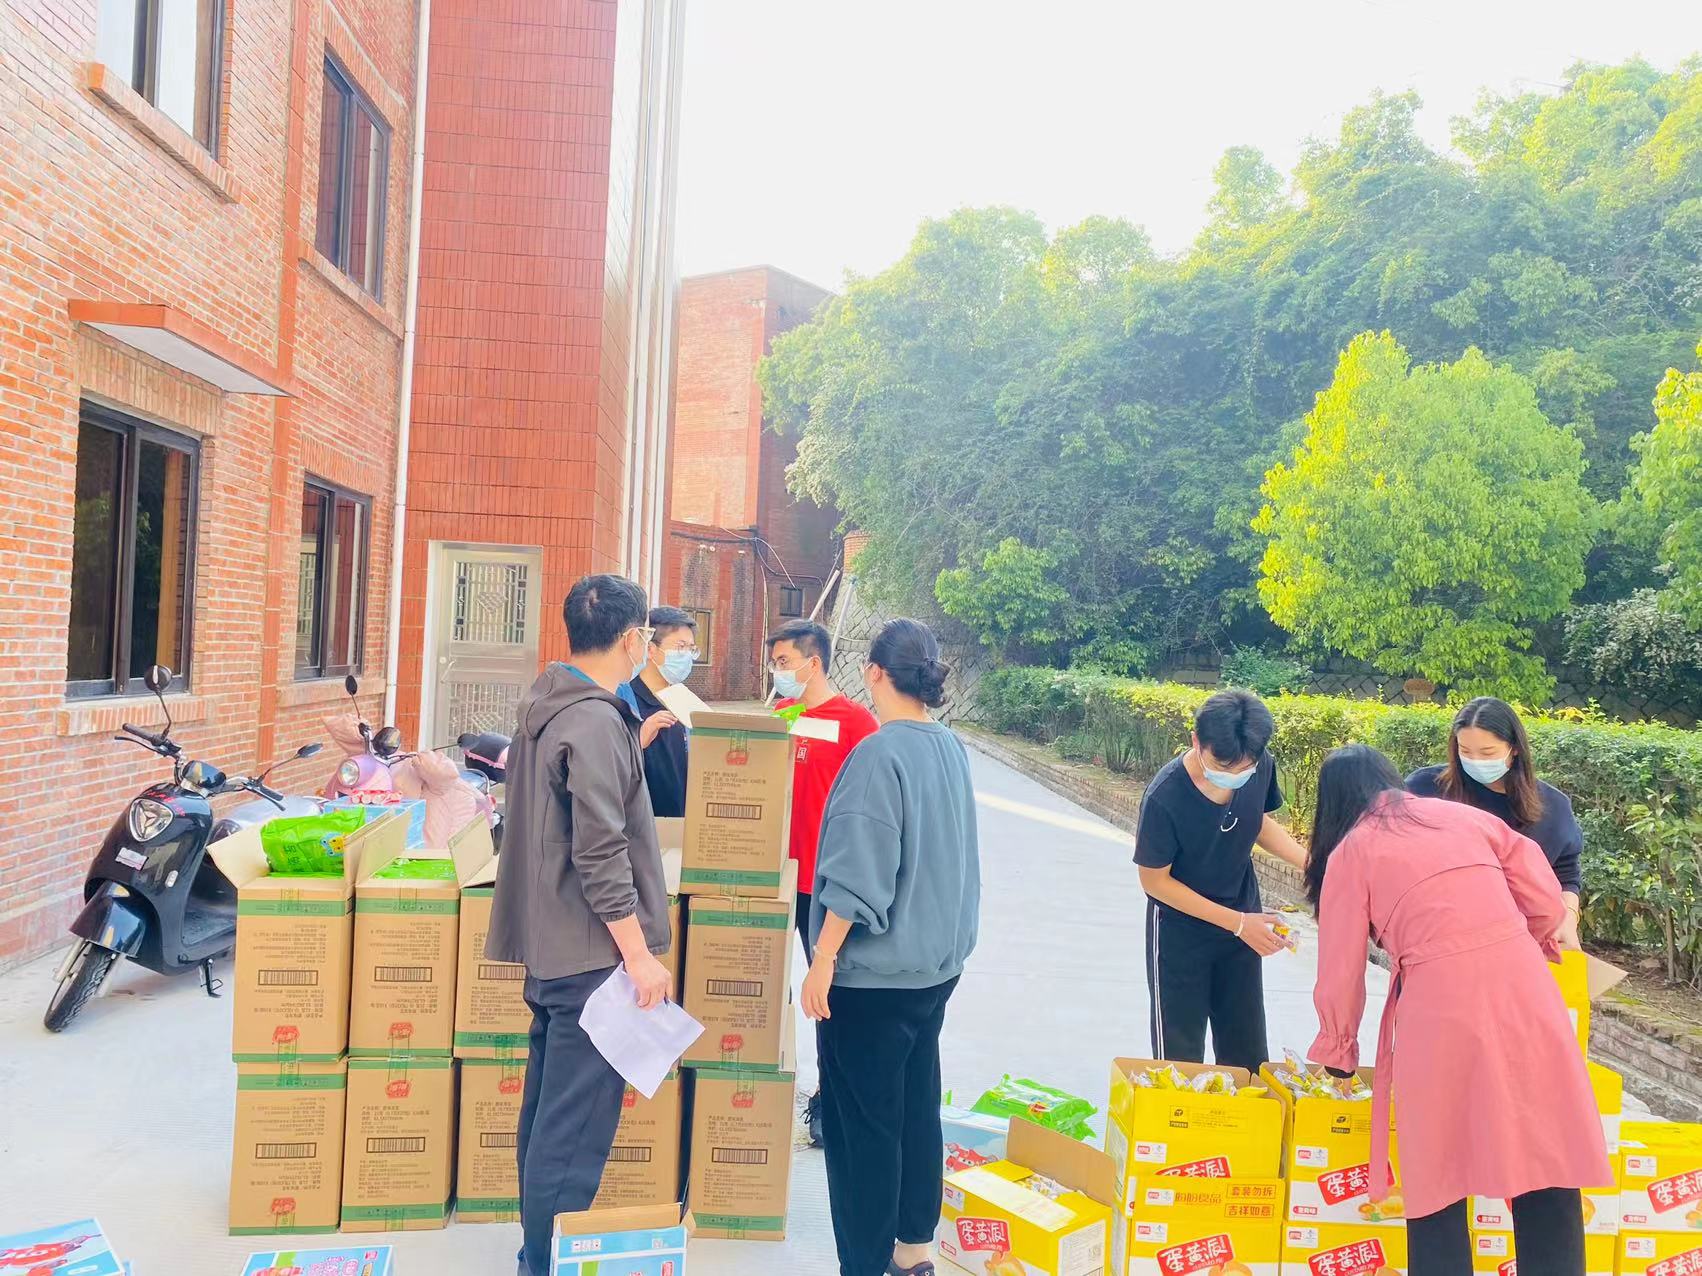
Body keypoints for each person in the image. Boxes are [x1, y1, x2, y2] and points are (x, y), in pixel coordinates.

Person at [1307, 744, 1611, 1276]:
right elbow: (1544, 898)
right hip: (1523, 985)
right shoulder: (1464, 817)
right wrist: (1524, 938)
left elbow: (1340, 966)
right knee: (1546, 1146)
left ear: (1332, 804)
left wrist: (1339, 1051)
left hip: (1439, 1001)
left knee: (1438, 1162)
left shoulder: (1351, 853)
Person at [486, 573, 674, 1276]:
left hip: (553, 949)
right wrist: (638, 956)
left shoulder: (551, 703)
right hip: (591, 957)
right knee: (572, 1136)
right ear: (630, 638)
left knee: (548, 1120)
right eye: (646, 636)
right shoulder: (594, 720)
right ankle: (544, 1264)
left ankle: (536, 1252)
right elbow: (599, 851)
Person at [800, 618, 980, 1276]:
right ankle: (913, 1252)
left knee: (862, 1131)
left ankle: (864, 1263)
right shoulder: (950, 746)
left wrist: (822, 960)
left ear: (873, 672)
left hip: (873, 980)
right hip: (934, 969)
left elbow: (857, 875)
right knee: (914, 1109)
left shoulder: (878, 754)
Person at [1133, 689, 1307, 1073]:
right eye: (1221, 765)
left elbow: (1257, 820)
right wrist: (1238, 923)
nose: (1232, 776)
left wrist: (1311, 864)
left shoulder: (1259, 764)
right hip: (1180, 933)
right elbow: (1155, 882)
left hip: (1241, 922)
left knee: (1247, 1053)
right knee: (1180, 1060)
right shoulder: (1165, 796)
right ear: (1196, 741)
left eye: (1243, 768)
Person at [767, 618, 880, 1145]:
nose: (777, 672)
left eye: (784, 662)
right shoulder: (783, 716)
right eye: (774, 663)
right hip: (776, 877)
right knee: (769, 988)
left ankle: (828, 1098)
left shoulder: (857, 723)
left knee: (826, 995)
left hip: (826, 886)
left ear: (814, 663)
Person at [1406, 696, 1585, 949]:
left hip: (1519, 943)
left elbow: (1566, 873)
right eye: (1465, 751)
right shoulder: (1425, 789)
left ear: (1515, 749)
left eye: (1487, 752)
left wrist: (1569, 917)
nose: (1476, 760)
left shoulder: (1553, 807)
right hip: (1436, 940)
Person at [627, 605, 698, 817]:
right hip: (645, 822)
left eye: (691, 649)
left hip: (683, 820)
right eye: (680, 647)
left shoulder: (685, 701)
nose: (686, 656)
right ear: (651, 649)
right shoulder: (627, 701)